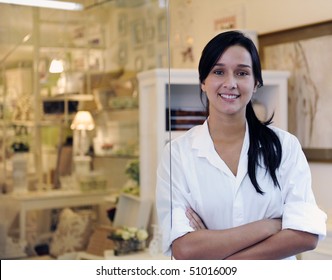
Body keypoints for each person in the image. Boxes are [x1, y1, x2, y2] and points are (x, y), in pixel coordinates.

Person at [156, 30, 327, 260]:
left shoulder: (284, 146)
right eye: (218, 72)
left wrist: (221, 262)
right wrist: (268, 226)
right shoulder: (177, 155)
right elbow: (184, 249)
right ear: (203, 82)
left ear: (256, 83)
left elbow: (305, 235)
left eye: (242, 73)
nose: (230, 83)